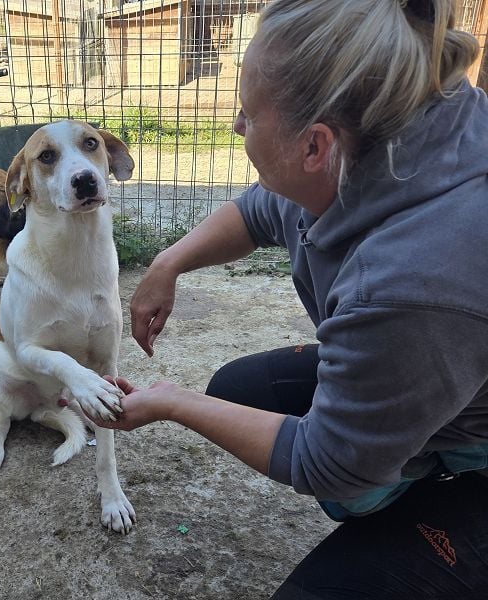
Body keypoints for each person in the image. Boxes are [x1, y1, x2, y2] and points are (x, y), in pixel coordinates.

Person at [90, 0, 488, 597]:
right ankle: (412, 452)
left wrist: (174, 402)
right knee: (239, 392)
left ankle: (445, 485)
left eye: (247, 115)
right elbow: (263, 207)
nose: (235, 127)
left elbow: (328, 464)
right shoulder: (398, 127)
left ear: (315, 146)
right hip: (437, 370)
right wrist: (168, 264)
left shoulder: (415, 282)